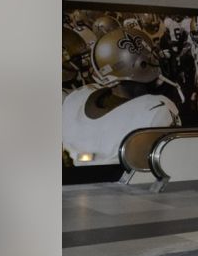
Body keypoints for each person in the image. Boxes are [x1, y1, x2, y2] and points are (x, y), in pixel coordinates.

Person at [62, 28, 181, 167]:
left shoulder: (76, 97)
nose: (158, 59)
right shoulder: (156, 110)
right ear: (141, 64)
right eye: (152, 56)